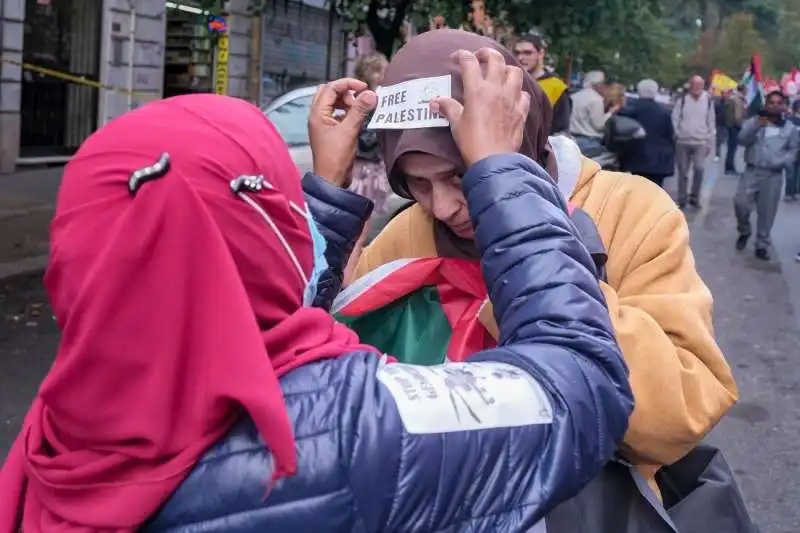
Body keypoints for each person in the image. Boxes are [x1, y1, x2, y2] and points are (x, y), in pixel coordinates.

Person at [0, 57, 634, 532]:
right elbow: (578, 383)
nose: (443, 204)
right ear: (266, 230)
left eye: (458, 179)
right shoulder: (357, 426)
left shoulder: (56, 428)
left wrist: (325, 194)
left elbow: (247, 324)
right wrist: (501, 173)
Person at [354, 28, 737, 501]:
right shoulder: (409, 230)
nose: (445, 207)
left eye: (460, 174)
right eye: (418, 183)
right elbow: (340, 373)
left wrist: (515, 230)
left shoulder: (633, 210)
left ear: (520, 131)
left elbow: (679, 417)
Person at [735, 89, 799, 261]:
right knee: (740, 203)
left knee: (767, 212)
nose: (775, 106)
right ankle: (744, 230)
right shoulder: (756, 122)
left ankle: (762, 244)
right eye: (772, 103)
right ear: (766, 104)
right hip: (752, 170)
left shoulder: (790, 128)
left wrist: (782, 161)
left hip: (773, 175)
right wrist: (757, 125)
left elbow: (794, 151)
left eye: (779, 103)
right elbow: (741, 139)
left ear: (785, 106)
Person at [349, 51, 396, 237]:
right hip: (363, 166)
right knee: (361, 214)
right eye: (379, 71)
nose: (383, 76)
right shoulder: (365, 99)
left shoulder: (377, 97)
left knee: (366, 214)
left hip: (371, 164)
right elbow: (365, 137)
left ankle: (356, 252)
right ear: (368, 73)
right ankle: (354, 256)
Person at [617, 78, 675, 187]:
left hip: (634, 158)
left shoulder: (628, 109)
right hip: (658, 160)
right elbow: (669, 136)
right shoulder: (664, 112)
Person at [672, 75, 716, 209]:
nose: (696, 88)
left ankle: (695, 197)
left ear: (703, 86)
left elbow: (711, 122)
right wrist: (678, 133)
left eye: (699, 85)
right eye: (694, 85)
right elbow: (675, 118)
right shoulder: (683, 100)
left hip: (700, 142)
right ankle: (682, 198)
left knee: (699, 169)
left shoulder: (708, 101)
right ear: (690, 85)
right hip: (683, 141)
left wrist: (709, 142)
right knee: (683, 172)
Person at [513, 34, 571, 134]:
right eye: (517, 53)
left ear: (541, 54)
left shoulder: (556, 88)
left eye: (528, 53)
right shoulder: (512, 81)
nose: (520, 58)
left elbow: (560, 131)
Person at [569, 70, 617, 153]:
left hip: (571, 139)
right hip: (589, 142)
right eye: (603, 83)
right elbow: (599, 126)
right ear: (596, 85)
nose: (605, 87)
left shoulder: (574, 96)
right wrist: (610, 112)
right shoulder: (597, 99)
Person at [725, 85, 748, 173]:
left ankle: (728, 167)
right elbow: (737, 115)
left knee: (730, 147)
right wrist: (740, 126)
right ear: (743, 90)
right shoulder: (738, 100)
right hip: (735, 126)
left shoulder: (732, 97)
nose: (747, 92)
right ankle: (730, 168)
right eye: (746, 90)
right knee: (732, 148)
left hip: (730, 125)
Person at [785, 98, 800, 201]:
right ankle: (789, 192)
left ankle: (797, 191)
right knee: (791, 171)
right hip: (791, 148)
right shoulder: (790, 120)